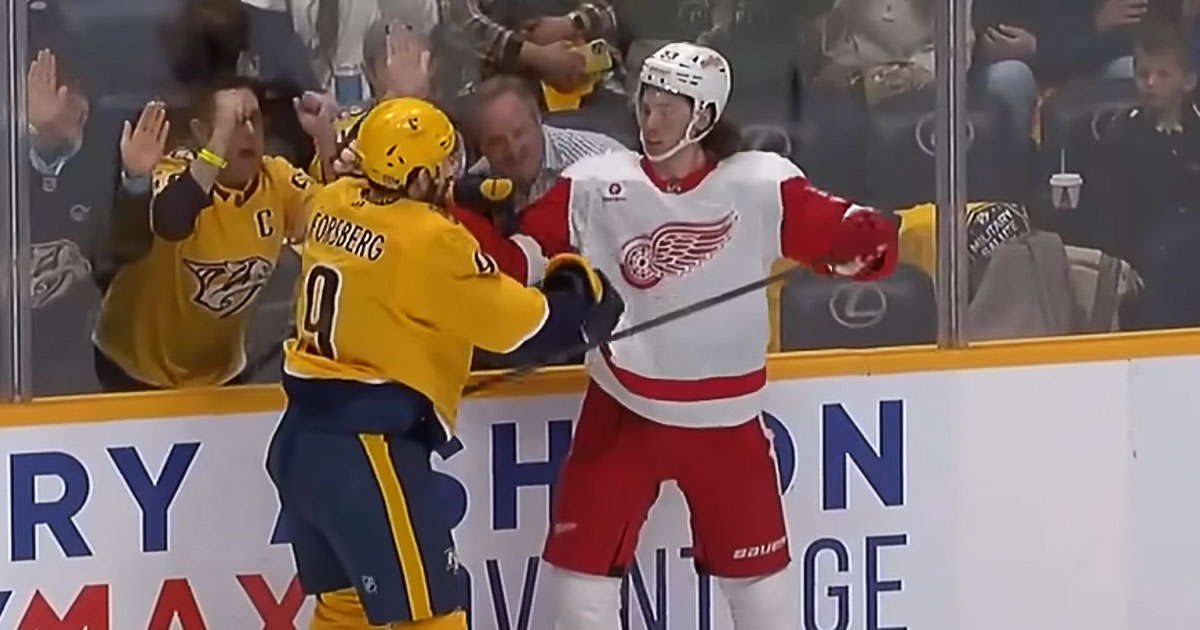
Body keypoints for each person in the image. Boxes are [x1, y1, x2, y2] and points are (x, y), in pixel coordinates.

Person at [456, 42, 898, 629]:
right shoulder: (594, 183)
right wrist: (461, 220)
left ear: (705, 115)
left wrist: (864, 239)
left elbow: (847, 241)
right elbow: (517, 263)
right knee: (579, 598)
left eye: (669, 108)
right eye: (647, 105)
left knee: (764, 601)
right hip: (622, 411)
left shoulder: (760, 183)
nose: (652, 121)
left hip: (726, 423)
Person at [265, 98, 624, 630]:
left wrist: (453, 197)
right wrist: (580, 293)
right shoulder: (431, 240)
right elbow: (522, 329)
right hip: (367, 451)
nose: (453, 169)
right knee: (432, 615)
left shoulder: (335, 200)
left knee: (346, 611)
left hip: (300, 443)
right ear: (418, 177)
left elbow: (388, 220)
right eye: (443, 163)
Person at [91, 78, 317, 392]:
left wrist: (325, 142)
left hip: (219, 374)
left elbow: (331, 219)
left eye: (254, 120)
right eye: (234, 122)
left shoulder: (276, 179)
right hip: (134, 368)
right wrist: (217, 145)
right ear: (201, 132)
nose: (248, 132)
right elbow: (171, 220)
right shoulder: (173, 170)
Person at [1101, 20, 1200, 329]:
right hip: (1145, 252)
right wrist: (1120, 264)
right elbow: (1112, 211)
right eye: (1143, 75)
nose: (1151, 83)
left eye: (1163, 75)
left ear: (1188, 81)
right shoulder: (1120, 135)